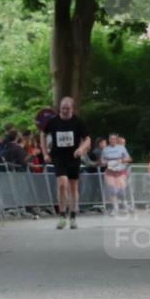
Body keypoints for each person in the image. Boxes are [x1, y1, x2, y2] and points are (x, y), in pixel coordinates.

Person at [41, 97, 91, 229]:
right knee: (62, 184)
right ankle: (62, 215)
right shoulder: (53, 121)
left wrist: (81, 148)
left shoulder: (78, 122)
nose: (65, 110)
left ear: (72, 108)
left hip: (73, 157)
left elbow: (88, 140)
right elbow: (42, 134)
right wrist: (45, 153)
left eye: (67, 108)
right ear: (60, 108)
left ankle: (73, 216)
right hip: (58, 156)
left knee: (74, 187)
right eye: (63, 108)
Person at [99, 133, 133, 213]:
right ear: (109, 140)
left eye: (114, 139)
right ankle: (115, 207)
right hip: (110, 172)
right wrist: (105, 162)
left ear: (116, 140)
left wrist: (122, 160)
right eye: (111, 139)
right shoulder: (105, 149)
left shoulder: (121, 148)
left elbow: (129, 159)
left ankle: (125, 203)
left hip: (120, 172)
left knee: (121, 191)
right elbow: (102, 161)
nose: (112, 140)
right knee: (112, 190)